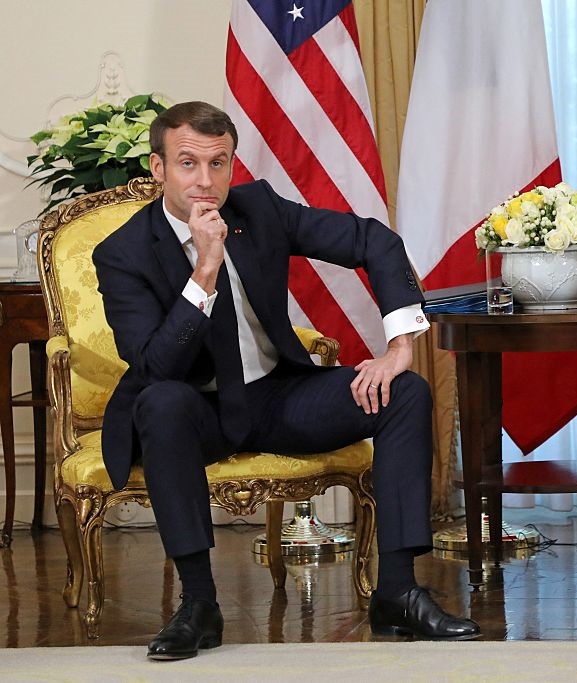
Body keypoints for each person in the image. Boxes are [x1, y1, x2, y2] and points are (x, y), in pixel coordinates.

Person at [93, 101, 480, 660]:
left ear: (232, 165)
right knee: (160, 402)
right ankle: (199, 604)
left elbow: (373, 240)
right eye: (187, 163)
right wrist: (204, 270)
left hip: (277, 396)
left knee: (404, 392)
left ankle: (397, 593)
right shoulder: (123, 252)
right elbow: (156, 367)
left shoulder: (258, 208)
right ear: (159, 169)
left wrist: (399, 347)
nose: (205, 181)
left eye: (218, 163)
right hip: (197, 409)